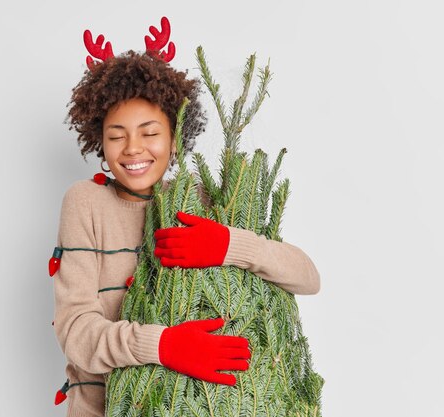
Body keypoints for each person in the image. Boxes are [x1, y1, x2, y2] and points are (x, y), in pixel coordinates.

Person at [51, 17, 320, 417]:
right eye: (116, 135)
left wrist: (232, 245)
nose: (133, 148)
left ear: (176, 137)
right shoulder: (86, 203)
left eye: (150, 132)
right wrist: (163, 345)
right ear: (100, 142)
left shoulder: (204, 198)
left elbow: (308, 277)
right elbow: (75, 331)